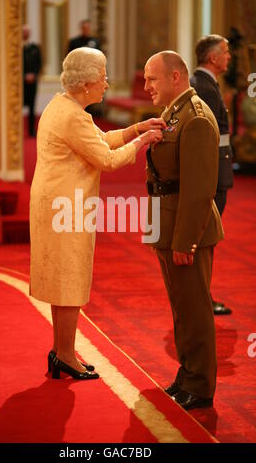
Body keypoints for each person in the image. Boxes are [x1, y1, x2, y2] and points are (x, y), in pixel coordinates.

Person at [29, 47, 165, 381]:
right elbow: (106, 159)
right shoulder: (72, 115)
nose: (106, 84)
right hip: (66, 207)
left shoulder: (63, 105)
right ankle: (63, 353)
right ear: (87, 81)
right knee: (70, 280)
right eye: (103, 77)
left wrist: (135, 129)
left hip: (59, 202)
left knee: (64, 280)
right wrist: (145, 139)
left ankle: (63, 351)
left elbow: (100, 140)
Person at [144, 51, 224, 409]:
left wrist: (186, 241)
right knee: (181, 307)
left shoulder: (196, 119)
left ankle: (201, 385)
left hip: (187, 229)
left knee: (194, 309)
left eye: (152, 79)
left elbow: (198, 189)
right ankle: (187, 372)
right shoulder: (174, 113)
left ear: (176, 77)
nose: (146, 86)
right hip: (168, 221)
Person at [190, 35, 234, 315]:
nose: (229, 56)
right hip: (213, 176)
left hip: (218, 172)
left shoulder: (207, 84)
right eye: (226, 52)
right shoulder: (203, 87)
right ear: (213, 58)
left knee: (207, 240)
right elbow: (205, 139)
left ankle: (201, 296)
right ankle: (201, 298)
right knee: (205, 241)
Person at [23, 24, 42, 137]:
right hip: (20, 83)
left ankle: (31, 130)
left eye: (27, 32)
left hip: (32, 82)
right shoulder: (16, 49)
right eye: (24, 32)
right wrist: (24, 75)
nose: (25, 34)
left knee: (32, 106)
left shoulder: (35, 48)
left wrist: (33, 75)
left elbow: (39, 64)